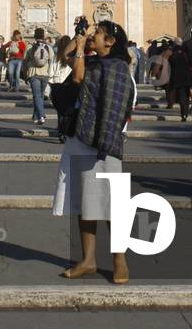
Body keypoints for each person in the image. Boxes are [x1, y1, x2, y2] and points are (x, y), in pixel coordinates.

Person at [54, 20, 135, 285]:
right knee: (84, 201)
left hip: (105, 141)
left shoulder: (118, 68)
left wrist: (80, 49)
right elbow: (65, 55)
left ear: (110, 42)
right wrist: (80, 35)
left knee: (112, 203)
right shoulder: (92, 62)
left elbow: (78, 77)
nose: (93, 36)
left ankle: (119, 258)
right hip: (81, 136)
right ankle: (88, 259)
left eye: (98, 33)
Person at [26, 27, 52, 125]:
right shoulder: (48, 47)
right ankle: (35, 117)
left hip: (34, 73)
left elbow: (25, 61)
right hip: (45, 74)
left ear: (34, 36)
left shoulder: (30, 47)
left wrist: (25, 74)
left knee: (37, 96)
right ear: (44, 36)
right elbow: (51, 60)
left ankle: (41, 115)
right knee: (39, 96)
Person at [165, 38, 192, 120]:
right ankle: (185, 112)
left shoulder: (172, 53)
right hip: (187, 76)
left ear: (174, 44)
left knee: (181, 95)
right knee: (186, 95)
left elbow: (169, 65)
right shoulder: (186, 51)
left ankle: (183, 113)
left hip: (176, 77)